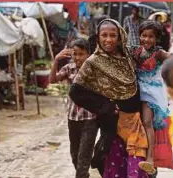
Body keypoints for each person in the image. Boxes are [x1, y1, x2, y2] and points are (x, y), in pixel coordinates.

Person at [69, 19, 149, 178]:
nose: (108, 39)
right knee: (116, 168)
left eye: (113, 35)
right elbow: (76, 91)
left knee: (138, 167)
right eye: (104, 35)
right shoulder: (94, 62)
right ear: (97, 37)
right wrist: (106, 106)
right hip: (113, 125)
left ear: (120, 37)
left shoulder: (129, 56)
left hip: (136, 121)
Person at [129, 20, 173, 176]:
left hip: (152, 93)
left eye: (151, 37)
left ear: (157, 39)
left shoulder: (159, 53)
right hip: (137, 91)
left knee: (148, 122)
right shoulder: (135, 51)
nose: (147, 40)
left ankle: (150, 159)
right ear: (139, 35)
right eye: (144, 36)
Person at [49, 38, 98, 178]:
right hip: (72, 118)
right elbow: (52, 80)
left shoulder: (95, 70)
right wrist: (56, 61)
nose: (77, 58)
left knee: (84, 156)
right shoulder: (68, 68)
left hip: (90, 119)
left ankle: (82, 175)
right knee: (74, 155)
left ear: (88, 54)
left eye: (81, 54)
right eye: (74, 54)